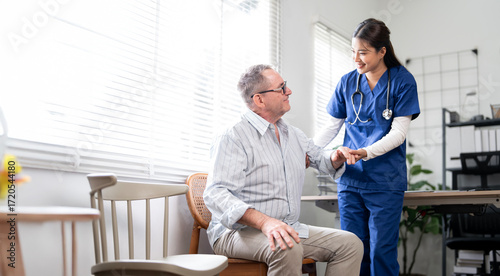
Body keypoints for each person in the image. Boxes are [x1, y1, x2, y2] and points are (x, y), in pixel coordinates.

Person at [204, 64, 363, 276]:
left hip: (287, 227)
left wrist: (335, 157)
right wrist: (265, 222)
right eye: (281, 88)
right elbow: (216, 193)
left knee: (350, 244)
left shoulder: (293, 134)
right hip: (235, 233)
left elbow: (320, 158)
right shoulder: (233, 136)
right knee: (286, 245)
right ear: (259, 99)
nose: (289, 91)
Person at [314, 18, 420, 276]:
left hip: (385, 179)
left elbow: (398, 133)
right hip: (350, 179)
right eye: (353, 52)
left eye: (363, 52)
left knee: (381, 251)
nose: (356, 58)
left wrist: (366, 152)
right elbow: (332, 126)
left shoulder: (403, 81)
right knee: (352, 248)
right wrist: (308, 151)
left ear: (382, 51)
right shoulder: (348, 82)